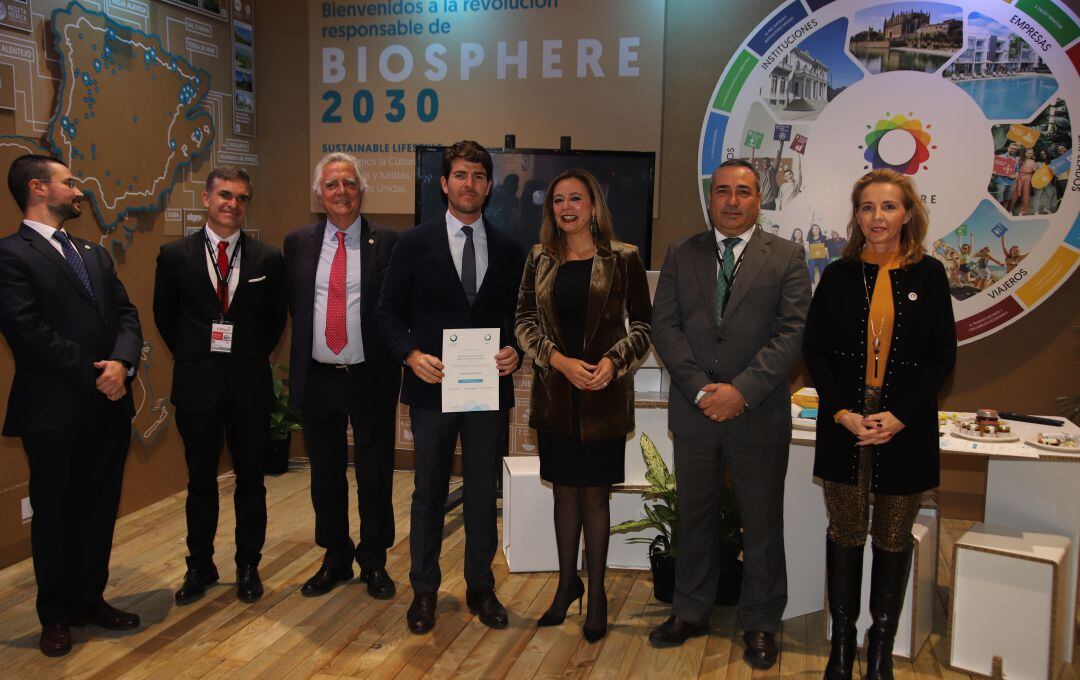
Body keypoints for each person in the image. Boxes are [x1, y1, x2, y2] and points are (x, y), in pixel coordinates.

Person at [649, 159, 811, 669]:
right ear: (710, 196)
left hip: (757, 411)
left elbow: (791, 335)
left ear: (757, 198)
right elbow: (666, 327)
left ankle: (760, 621)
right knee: (694, 516)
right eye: (723, 191)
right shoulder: (682, 253)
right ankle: (691, 609)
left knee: (761, 522)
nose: (732, 201)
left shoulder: (786, 256)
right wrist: (701, 391)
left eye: (742, 192)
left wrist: (740, 391)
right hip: (695, 412)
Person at [803, 169, 956, 680]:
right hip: (845, 421)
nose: (877, 218)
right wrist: (843, 412)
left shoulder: (930, 274)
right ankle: (842, 647)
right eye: (867, 207)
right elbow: (815, 352)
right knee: (846, 532)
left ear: (907, 213)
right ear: (857, 215)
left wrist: (900, 416)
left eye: (888, 207)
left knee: (892, 536)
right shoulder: (839, 274)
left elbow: (941, 359)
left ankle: (881, 648)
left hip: (904, 425)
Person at [377, 140, 526, 635]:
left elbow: (518, 320)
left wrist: (516, 352)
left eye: (479, 176)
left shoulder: (508, 248)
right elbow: (386, 313)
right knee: (428, 492)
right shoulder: (413, 243)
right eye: (460, 175)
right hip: (432, 388)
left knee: (484, 490)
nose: (470, 184)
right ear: (444, 183)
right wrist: (410, 355)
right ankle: (424, 589)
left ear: (488, 186)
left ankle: (480, 586)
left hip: (487, 391)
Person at [0, 155, 143, 656]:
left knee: (99, 509)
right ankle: (55, 615)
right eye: (70, 182)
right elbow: (26, 332)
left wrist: (122, 365)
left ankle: (89, 599)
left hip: (108, 407)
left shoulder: (94, 253)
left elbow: (126, 315)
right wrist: (96, 373)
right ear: (39, 188)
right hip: (54, 411)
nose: (78, 190)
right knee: (57, 512)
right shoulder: (10, 255)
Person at [514, 169, 652, 642]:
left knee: (594, 495)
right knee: (563, 493)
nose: (566, 207)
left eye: (576, 198)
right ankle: (566, 585)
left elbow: (644, 329)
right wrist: (557, 359)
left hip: (603, 396)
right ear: (550, 208)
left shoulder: (625, 257)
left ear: (594, 205)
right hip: (557, 392)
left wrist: (613, 364)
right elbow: (523, 321)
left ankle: (596, 595)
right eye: (557, 200)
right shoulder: (539, 259)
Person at [153, 166, 287, 605]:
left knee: (252, 479)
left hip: (248, 385)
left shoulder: (267, 258)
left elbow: (274, 321)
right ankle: (201, 565)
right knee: (200, 482)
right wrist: (197, 355)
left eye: (242, 198)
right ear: (208, 199)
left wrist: (248, 355)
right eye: (225, 195)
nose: (233, 204)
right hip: (198, 386)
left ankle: (248, 564)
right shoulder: (175, 255)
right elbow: (165, 317)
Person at [283, 153, 401, 600]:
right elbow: (295, 306)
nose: (341, 192)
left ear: (362, 191)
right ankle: (335, 556)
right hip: (319, 377)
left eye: (349, 184)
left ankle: (374, 560)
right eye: (332, 185)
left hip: (370, 376)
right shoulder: (297, 242)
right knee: (326, 475)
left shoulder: (388, 242)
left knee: (375, 473)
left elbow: (396, 309)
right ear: (319, 194)